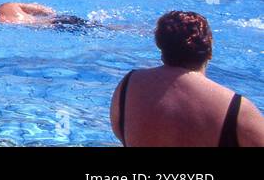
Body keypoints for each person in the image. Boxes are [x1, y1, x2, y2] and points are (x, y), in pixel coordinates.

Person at [110, 11, 263, 147]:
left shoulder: (129, 86)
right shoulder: (236, 107)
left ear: (162, 49)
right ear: (209, 51)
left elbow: (119, 132)